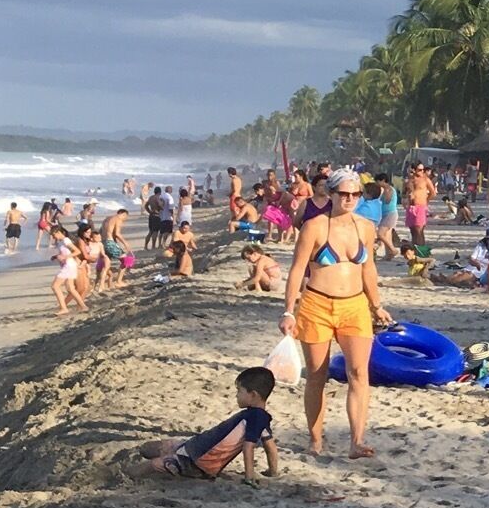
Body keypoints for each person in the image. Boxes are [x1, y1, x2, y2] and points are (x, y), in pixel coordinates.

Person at [282, 168, 395, 458]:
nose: (349, 199)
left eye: (354, 194)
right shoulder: (315, 226)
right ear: (331, 194)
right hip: (316, 304)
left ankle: (357, 441)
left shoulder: (366, 227)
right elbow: (297, 270)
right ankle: (315, 438)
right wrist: (288, 310)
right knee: (317, 376)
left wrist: (376, 304)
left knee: (359, 372)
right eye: (343, 194)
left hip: (354, 306)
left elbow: (368, 267)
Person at [133, 366, 281, 483]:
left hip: (195, 462)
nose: (236, 395)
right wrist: (272, 471)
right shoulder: (258, 417)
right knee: (148, 448)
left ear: (253, 394)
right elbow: (270, 446)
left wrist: (249, 477)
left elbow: (248, 447)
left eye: (239, 391)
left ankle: (122, 477)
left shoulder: (255, 418)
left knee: (152, 465)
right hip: (194, 447)